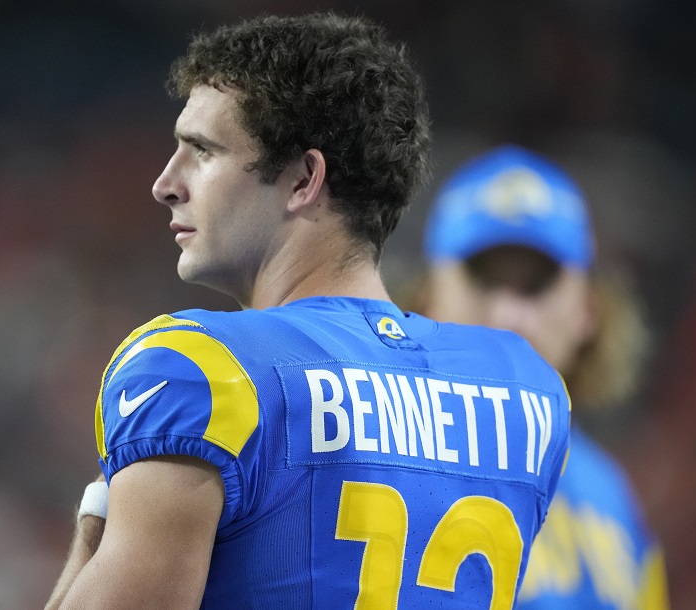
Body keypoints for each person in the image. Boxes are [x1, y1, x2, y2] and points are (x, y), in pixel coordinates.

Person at [46, 15, 571, 609]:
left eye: (202, 151)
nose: (165, 183)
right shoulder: (529, 391)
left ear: (303, 179)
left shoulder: (197, 369)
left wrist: (96, 520)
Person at [405, 144, 670, 609]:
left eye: (537, 285)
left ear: (589, 310)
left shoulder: (615, 499)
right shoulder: (374, 462)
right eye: (482, 281)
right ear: (425, 299)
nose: (510, 315)